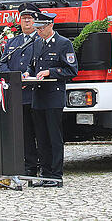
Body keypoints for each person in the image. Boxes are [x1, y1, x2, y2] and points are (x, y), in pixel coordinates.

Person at [26, 11, 78, 187]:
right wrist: (27, 73)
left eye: (41, 28)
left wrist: (50, 72)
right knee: (41, 138)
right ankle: (45, 173)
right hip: (38, 97)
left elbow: (72, 70)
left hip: (53, 96)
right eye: (37, 28)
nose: (38, 31)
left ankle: (56, 175)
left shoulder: (63, 44)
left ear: (50, 25)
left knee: (53, 137)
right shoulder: (37, 43)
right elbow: (33, 66)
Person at [0, 3, 40, 177]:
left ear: (35, 20)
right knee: (24, 133)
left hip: (36, 94)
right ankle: (29, 166)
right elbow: (3, 63)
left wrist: (29, 75)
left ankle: (43, 165)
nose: (27, 21)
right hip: (18, 95)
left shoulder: (40, 40)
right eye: (24, 18)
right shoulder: (13, 42)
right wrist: (13, 78)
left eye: (30, 18)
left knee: (40, 132)